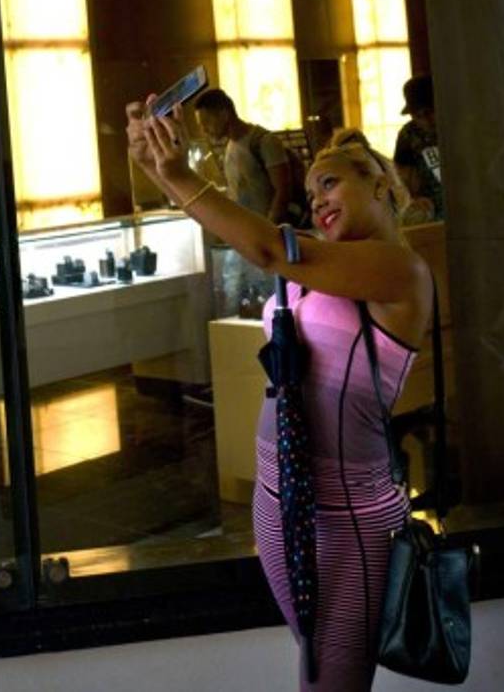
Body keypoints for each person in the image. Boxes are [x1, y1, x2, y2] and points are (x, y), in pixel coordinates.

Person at [127, 97, 432, 692]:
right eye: (311, 191)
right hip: (279, 502)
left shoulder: (400, 271)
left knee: (329, 680)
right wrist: (151, 162)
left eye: (330, 183)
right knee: (314, 665)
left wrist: (177, 174)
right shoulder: (322, 261)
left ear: (377, 182)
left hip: (346, 519)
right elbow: (257, 239)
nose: (316, 200)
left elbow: (266, 248)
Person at [193, 88, 293, 223]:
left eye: (206, 122)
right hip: (245, 227)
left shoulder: (264, 142)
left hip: (266, 227)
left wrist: (270, 227)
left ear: (224, 115)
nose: (204, 130)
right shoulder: (230, 145)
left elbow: (283, 190)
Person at [393, 74, 443, 222]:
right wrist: (412, 199)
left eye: (429, 112)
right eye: (417, 116)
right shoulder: (409, 134)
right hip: (432, 213)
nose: (426, 121)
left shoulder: (457, 124)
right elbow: (404, 175)